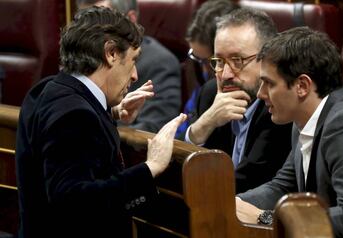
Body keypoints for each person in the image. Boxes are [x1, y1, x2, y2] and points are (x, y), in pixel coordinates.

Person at [15, 7, 186, 238]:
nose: (135, 75)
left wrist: (112, 112)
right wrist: (151, 166)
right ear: (111, 53)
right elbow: (75, 202)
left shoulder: (47, 89)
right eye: (133, 60)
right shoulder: (75, 115)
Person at [236, 26, 343, 237]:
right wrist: (233, 204)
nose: (260, 94)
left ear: (302, 86)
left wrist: (266, 218)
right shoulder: (304, 118)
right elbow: (283, 187)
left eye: (268, 84)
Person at [183, 8, 292, 193]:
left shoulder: (279, 105)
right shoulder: (211, 94)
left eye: (237, 60)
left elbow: (251, 180)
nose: (225, 74)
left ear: (268, 59)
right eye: (219, 61)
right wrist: (202, 126)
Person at [77, 0, 182, 133]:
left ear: (130, 20)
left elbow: (154, 128)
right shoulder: (80, 59)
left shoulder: (160, 62)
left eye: (99, 24)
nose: (88, 34)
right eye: (84, 21)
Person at [176, 0, 240, 136]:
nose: (205, 70)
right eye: (197, 58)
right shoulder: (204, 84)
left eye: (210, 61)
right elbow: (182, 133)